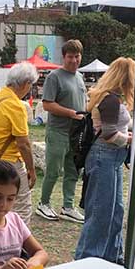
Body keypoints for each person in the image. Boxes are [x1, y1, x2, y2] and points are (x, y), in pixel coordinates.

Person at [75, 57, 135, 264]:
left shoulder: (109, 97)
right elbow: (109, 134)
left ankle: (110, 258)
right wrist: (131, 139)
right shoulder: (111, 100)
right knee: (101, 214)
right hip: (105, 155)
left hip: (109, 157)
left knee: (115, 210)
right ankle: (88, 260)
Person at [35, 39, 87, 224]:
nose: (74, 60)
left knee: (73, 171)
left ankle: (68, 206)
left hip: (76, 133)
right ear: (64, 57)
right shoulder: (54, 77)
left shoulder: (80, 77)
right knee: (54, 170)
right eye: (70, 57)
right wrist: (71, 114)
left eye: (77, 56)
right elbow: (47, 104)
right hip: (58, 131)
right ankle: (44, 203)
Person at [0, 62, 38, 224]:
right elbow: (23, 144)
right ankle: (18, 244)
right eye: (31, 85)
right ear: (26, 83)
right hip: (10, 163)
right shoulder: (15, 105)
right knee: (21, 207)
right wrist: (31, 169)